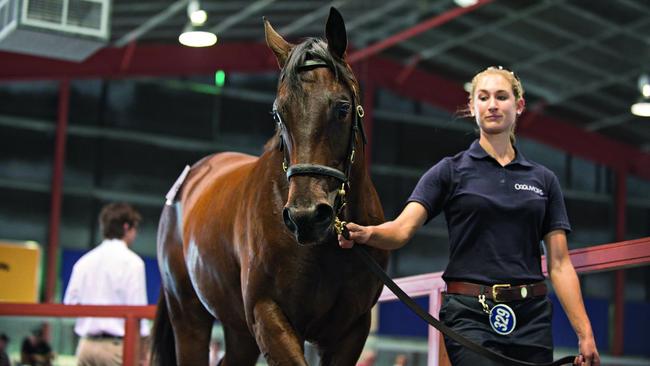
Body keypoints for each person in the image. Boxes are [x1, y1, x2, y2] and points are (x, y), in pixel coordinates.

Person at [339, 66, 600, 366]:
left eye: (502, 97)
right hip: (470, 315)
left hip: (533, 318)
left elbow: (560, 264)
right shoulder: (449, 171)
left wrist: (585, 333)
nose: (492, 105)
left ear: (519, 105)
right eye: (484, 97)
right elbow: (402, 229)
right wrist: (367, 233)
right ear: (472, 106)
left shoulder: (544, 180)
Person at [64, 202, 149, 366]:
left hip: (86, 345)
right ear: (126, 227)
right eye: (135, 228)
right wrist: (143, 354)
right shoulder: (133, 263)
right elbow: (138, 311)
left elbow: (70, 303)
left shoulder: (84, 262)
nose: (135, 234)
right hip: (116, 349)